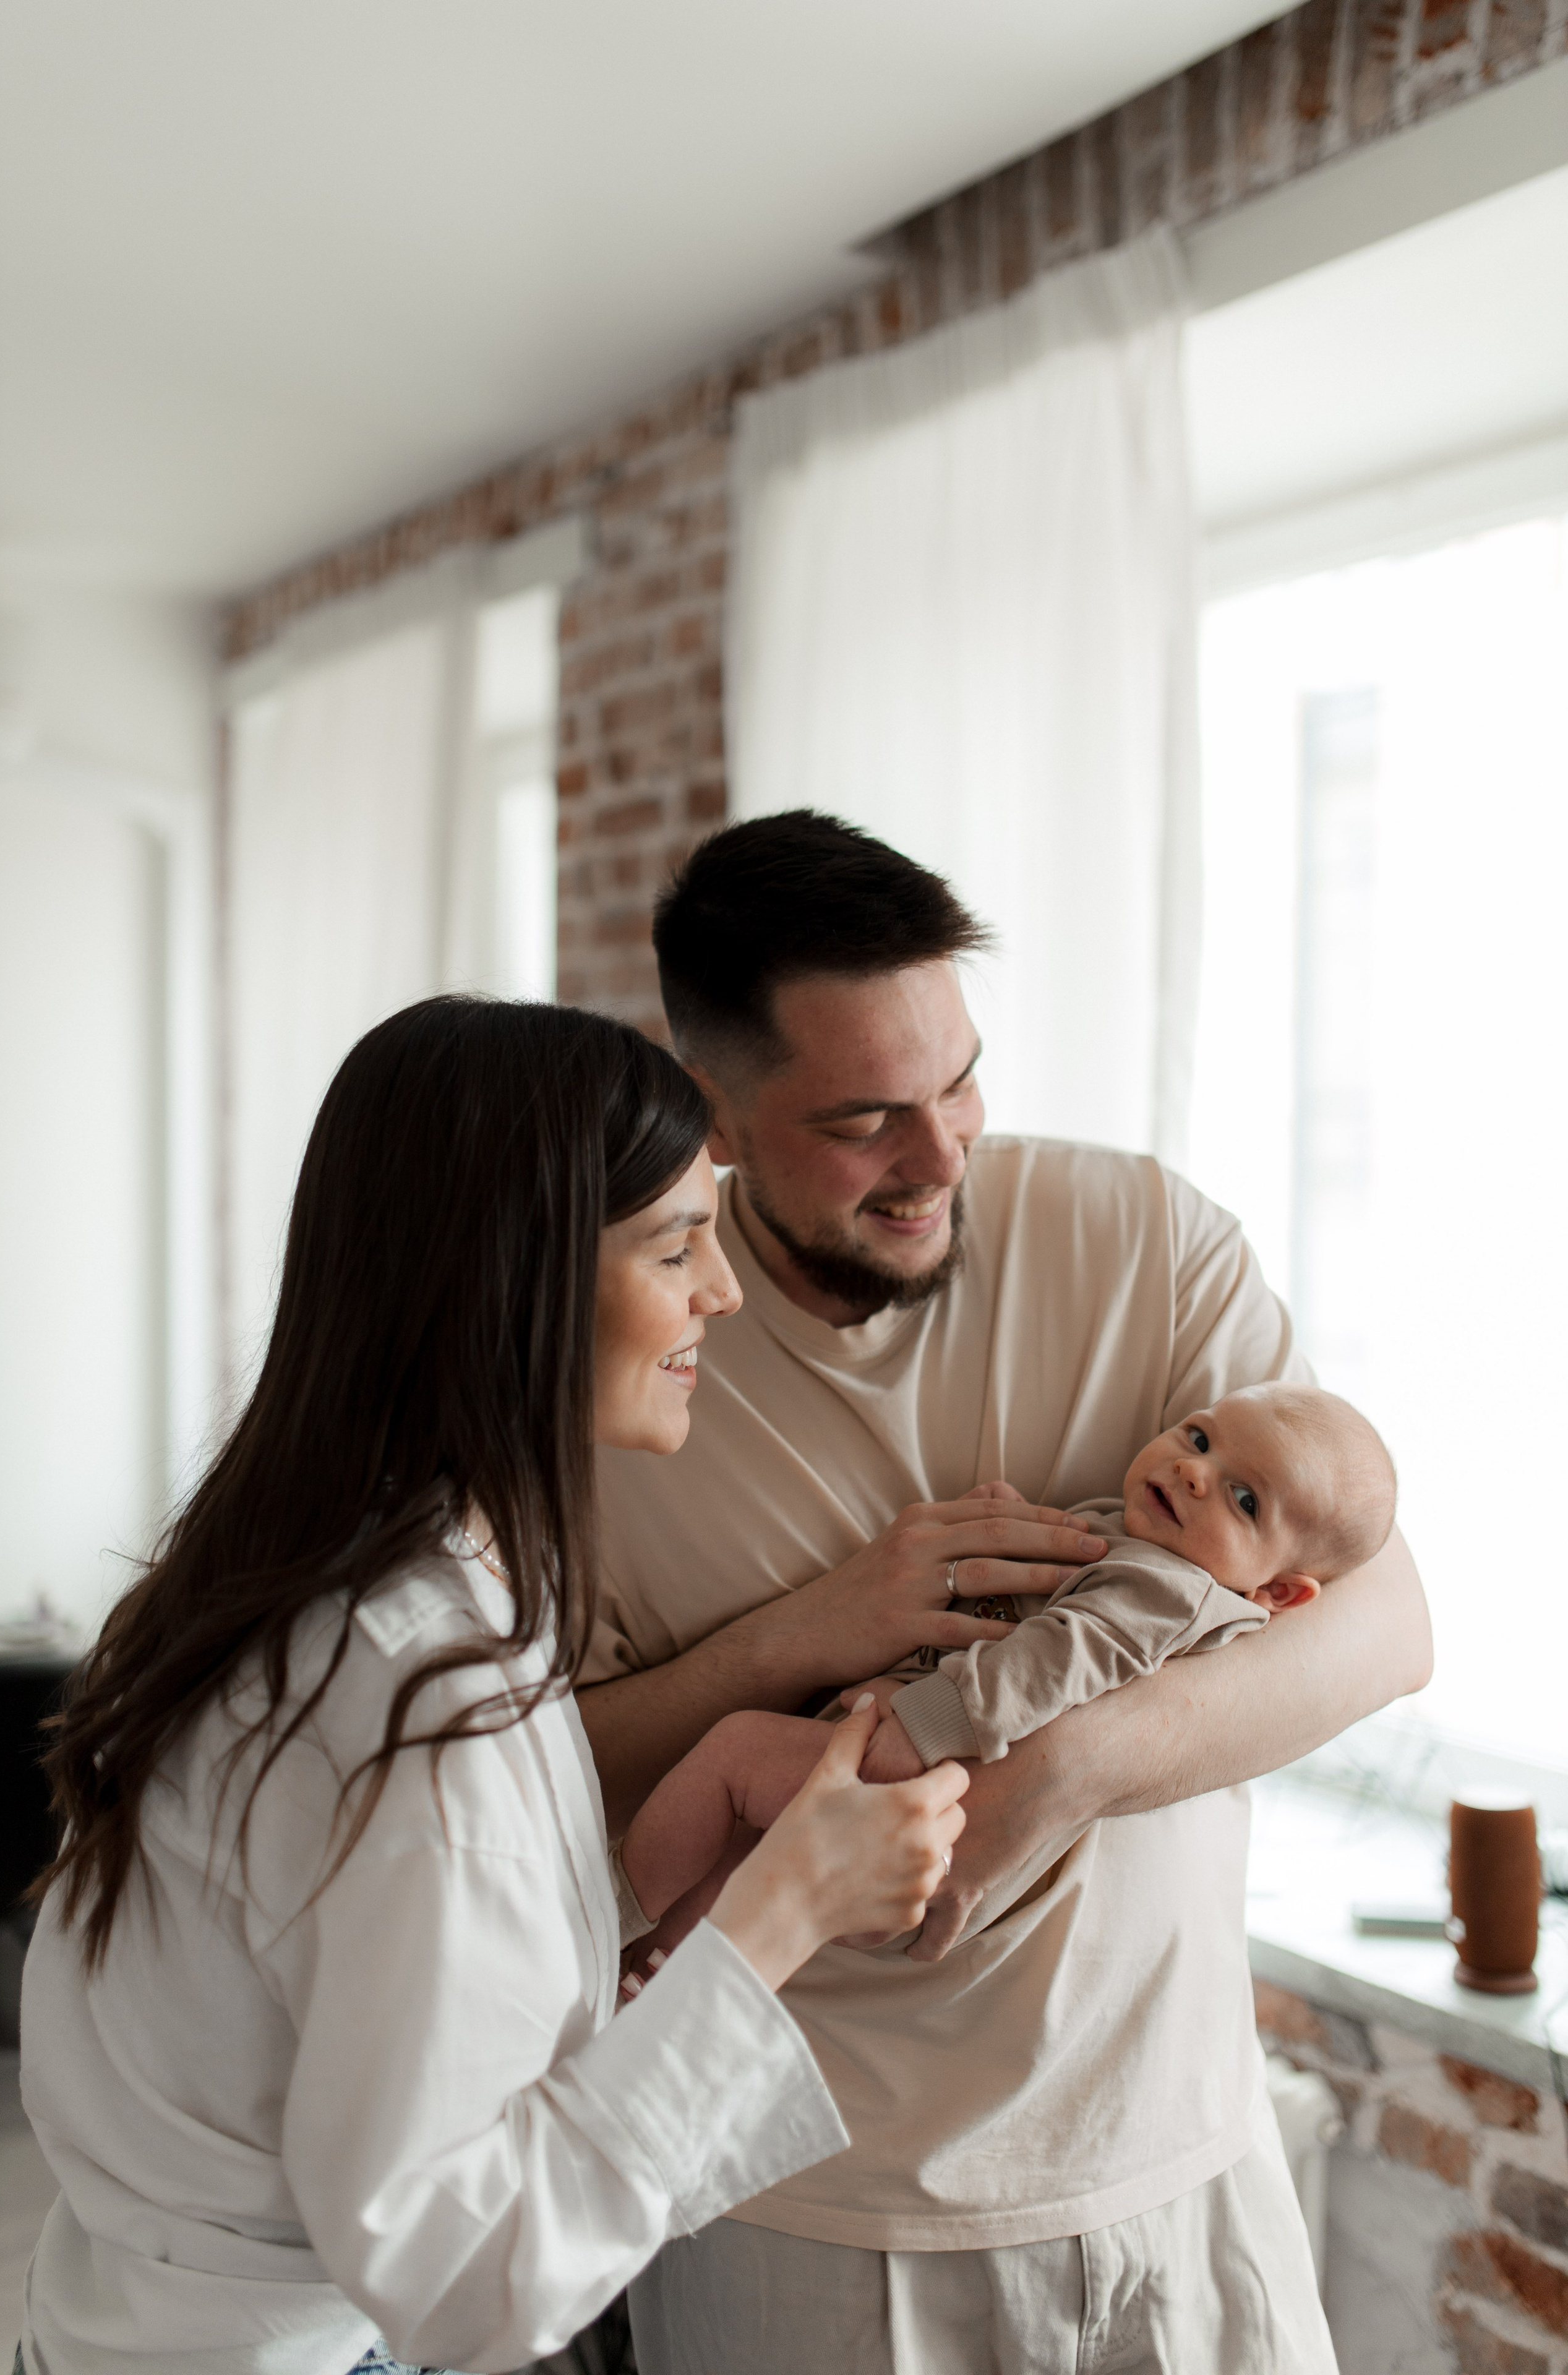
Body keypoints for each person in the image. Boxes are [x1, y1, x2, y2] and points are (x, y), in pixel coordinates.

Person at [579, 813, 1433, 2374]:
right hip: (803, 2224)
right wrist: (801, 1635)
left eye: (960, 1080)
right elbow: (537, 1779)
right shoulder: (621, 1354)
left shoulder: (1144, 1240)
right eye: (866, 1120)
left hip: (1178, 2166)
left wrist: (1060, 1773)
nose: (941, 1154)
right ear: (715, 1111)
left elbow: (1383, 1624)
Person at [14, 995, 967, 2375]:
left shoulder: (317, 1587)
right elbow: (465, 2277)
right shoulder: (412, 1690)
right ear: (517, 1280)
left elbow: (337, 1973)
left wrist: (627, 1893)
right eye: (675, 1246)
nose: (722, 1292)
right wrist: (785, 1912)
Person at [619, 1381, 1399, 1950]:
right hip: (910, 1789)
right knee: (740, 1849)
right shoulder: (1147, 1547)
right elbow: (1050, 1600)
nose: (1196, 1471)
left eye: (1244, 1500)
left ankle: (611, 1921)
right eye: (1199, 1439)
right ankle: (660, 1963)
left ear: (1278, 1592)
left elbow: (1061, 1657)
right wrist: (1006, 1523)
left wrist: (922, 1725)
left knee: (733, 1754)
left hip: (920, 1787)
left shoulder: (1169, 1591)